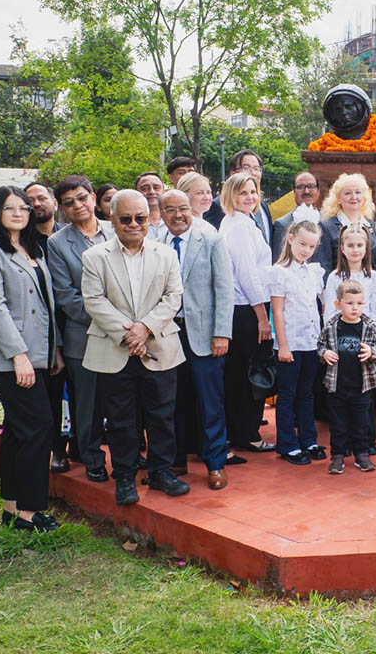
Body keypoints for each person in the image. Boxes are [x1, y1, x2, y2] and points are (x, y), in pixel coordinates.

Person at [81, 189, 190, 506]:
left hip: (159, 347)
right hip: (114, 350)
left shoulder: (166, 254)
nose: (133, 224)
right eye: (125, 218)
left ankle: (161, 472)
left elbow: (173, 296)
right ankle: (125, 477)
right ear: (112, 219)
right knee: (120, 420)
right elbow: (93, 300)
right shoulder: (95, 257)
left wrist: (145, 329)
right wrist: (129, 335)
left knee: (162, 416)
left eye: (140, 218)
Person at [0, 186, 62, 533]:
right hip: (13, 356)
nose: (18, 213)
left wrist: (54, 350)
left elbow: (46, 304)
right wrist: (18, 356)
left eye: (23, 208)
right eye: (10, 208)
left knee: (17, 429)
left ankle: (11, 508)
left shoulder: (32, 247)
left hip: (41, 352)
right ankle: (30, 512)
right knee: (39, 427)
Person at [160, 189, 234, 489]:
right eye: (170, 210)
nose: (178, 215)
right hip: (168, 335)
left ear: (191, 209)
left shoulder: (211, 239)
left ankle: (215, 464)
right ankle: (176, 460)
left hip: (205, 335)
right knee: (172, 401)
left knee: (210, 402)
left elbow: (224, 289)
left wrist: (221, 333)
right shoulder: (156, 243)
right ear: (162, 213)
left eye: (183, 208)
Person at [48, 175, 112, 482]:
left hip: (126, 334)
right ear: (61, 208)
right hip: (84, 336)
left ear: (94, 199)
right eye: (69, 202)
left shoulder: (115, 230)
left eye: (82, 198)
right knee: (88, 404)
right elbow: (66, 296)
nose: (78, 206)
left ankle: (126, 455)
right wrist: (111, 321)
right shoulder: (57, 243)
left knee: (123, 401)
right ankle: (92, 458)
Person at [218, 172, 274, 456]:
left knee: (240, 375)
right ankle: (247, 434)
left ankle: (240, 431)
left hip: (244, 307)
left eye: (253, 192)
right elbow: (248, 275)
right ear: (231, 196)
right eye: (243, 193)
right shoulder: (238, 226)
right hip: (246, 309)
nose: (250, 197)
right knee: (251, 374)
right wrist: (262, 317)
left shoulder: (241, 221)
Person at [270, 220, 327, 466]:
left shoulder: (314, 272)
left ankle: (308, 439)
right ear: (291, 238)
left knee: (306, 392)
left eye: (311, 246)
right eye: (302, 244)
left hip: (310, 341)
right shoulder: (279, 272)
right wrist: (283, 345)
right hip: (290, 343)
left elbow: (319, 305)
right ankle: (287, 444)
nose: (306, 250)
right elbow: (277, 311)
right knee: (287, 394)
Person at [25, 180, 71, 470]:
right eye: (30, 200)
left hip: (76, 322)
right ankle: (57, 449)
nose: (36, 203)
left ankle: (81, 444)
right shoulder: (23, 243)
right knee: (52, 392)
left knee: (80, 392)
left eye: (42, 197)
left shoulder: (68, 236)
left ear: (55, 203)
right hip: (44, 328)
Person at [319, 280, 376, 474]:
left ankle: (362, 454)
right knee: (337, 423)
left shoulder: (369, 326)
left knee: (361, 423)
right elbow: (320, 345)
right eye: (349, 303)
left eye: (359, 303)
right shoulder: (331, 326)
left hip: (362, 386)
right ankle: (337, 456)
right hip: (337, 385)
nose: (355, 308)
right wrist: (324, 353)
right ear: (338, 304)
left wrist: (372, 352)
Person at [205, 150, 274, 249]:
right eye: (246, 168)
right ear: (233, 173)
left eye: (257, 168)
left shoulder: (260, 203)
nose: (253, 173)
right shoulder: (218, 206)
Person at [315, 173, 376, 274]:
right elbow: (323, 265)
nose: (354, 197)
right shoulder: (326, 227)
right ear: (338, 198)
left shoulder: (372, 226)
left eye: (358, 192)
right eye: (347, 193)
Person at [323, 224, 376, 328]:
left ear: (365, 248)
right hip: (340, 331)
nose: (355, 250)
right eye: (350, 246)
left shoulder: (372, 277)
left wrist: (374, 332)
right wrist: (332, 333)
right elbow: (329, 311)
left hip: (365, 331)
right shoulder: (334, 277)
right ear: (342, 248)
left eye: (359, 245)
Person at [272, 171, 321, 258]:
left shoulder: (327, 223)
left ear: (318, 191)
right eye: (300, 187)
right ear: (294, 193)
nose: (306, 191)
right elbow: (279, 260)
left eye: (311, 186)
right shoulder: (282, 224)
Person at [134, 172, 167, 239]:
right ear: (136, 193)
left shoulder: (174, 219)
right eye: (145, 189)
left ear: (164, 191)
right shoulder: (131, 224)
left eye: (156, 188)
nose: (152, 192)